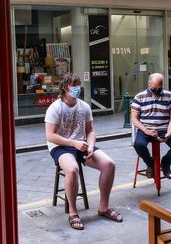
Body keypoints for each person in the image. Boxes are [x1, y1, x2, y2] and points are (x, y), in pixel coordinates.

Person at [45, 73, 122, 230]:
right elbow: (50, 136)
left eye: (78, 85)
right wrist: (74, 143)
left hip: (82, 145)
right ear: (65, 87)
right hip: (61, 146)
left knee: (109, 164)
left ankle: (103, 207)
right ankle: (73, 213)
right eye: (73, 85)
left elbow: (90, 131)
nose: (77, 88)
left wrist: (91, 146)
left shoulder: (84, 106)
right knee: (72, 169)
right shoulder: (55, 108)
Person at [131, 73, 171, 179]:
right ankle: (151, 163)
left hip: (165, 128)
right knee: (138, 144)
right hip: (145, 129)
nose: (156, 91)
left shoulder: (170, 96)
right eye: (154, 88)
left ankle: (165, 163)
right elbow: (134, 119)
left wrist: (169, 133)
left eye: (159, 88)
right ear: (148, 84)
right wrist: (146, 131)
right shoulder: (139, 97)